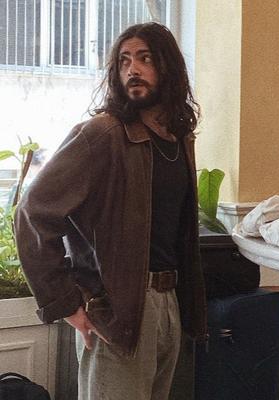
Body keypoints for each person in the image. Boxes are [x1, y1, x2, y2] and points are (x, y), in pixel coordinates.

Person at [14, 22, 207, 400]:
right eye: (124, 61)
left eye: (145, 59)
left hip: (169, 303)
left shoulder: (180, 139)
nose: (133, 69)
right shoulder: (102, 135)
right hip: (116, 311)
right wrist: (66, 304)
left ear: (168, 67)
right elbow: (32, 212)